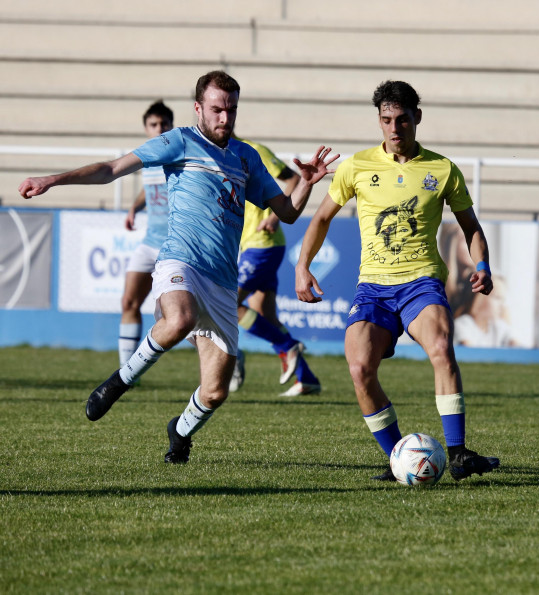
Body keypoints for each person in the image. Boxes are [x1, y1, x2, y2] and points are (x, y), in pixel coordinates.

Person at [18, 70, 337, 464]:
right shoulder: (180, 140)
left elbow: (287, 213)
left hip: (222, 281)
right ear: (199, 108)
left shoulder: (246, 157)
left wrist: (305, 183)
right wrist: (53, 179)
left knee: (216, 392)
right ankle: (119, 381)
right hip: (180, 259)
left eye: (232, 110)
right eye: (218, 109)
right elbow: (111, 169)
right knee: (179, 319)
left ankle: (180, 430)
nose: (225, 118)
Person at [295, 80, 500, 482]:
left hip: (421, 283)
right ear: (379, 121)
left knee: (441, 346)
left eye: (402, 119)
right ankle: (397, 458)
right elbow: (320, 219)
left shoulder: (442, 169)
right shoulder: (356, 167)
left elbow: (471, 227)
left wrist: (483, 265)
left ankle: (457, 455)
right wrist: (302, 265)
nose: (394, 128)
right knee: (359, 368)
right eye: (386, 120)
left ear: (417, 118)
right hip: (373, 287)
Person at [230, 135, 321, 397]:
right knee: (266, 314)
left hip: (263, 244)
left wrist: (273, 217)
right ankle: (306, 378)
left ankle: (286, 345)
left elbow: (292, 180)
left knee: (226, 303)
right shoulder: (219, 156)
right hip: (252, 245)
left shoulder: (254, 150)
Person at [119, 100, 174, 375]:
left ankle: (225, 360)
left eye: (164, 124)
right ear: (146, 128)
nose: (159, 128)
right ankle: (127, 372)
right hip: (149, 242)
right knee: (129, 302)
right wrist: (134, 207)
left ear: (172, 126)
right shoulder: (146, 159)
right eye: (154, 124)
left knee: (178, 319)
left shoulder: (178, 157)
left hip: (175, 248)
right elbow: (148, 189)